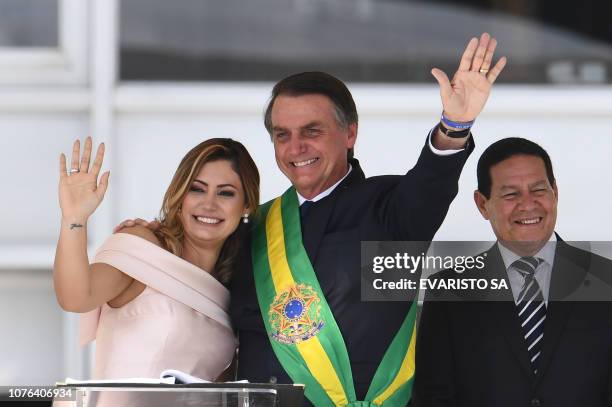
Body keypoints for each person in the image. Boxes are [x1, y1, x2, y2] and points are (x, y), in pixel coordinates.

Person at [227, 32, 506, 406]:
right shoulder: (253, 225)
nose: (296, 148)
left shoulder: (390, 209)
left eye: (312, 131)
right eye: (283, 135)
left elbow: (432, 183)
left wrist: (454, 125)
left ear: (350, 133)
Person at [413, 138, 612, 407]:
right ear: (482, 204)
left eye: (539, 190)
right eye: (511, 194)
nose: (528, 205)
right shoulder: (449, 291)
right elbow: (432, 397)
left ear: (555, 192)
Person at [54, 137, 259, 381]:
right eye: (197, 189)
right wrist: (74, 219)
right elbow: (76, 297)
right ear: (180, 196)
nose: (209, 204)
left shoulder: (236, 284)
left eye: (225, 193)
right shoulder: (143, 247)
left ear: (246, 205)